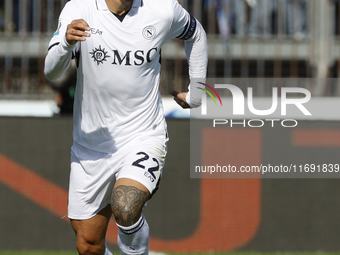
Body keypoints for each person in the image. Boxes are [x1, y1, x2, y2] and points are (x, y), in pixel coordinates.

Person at [44, 0, 208, 254]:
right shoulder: (79, 9)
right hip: (92, 146)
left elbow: (196, 34)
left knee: (125, 204)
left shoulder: (162, 9)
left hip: (142, 135)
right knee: (88, 244)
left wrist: (197, 90)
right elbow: (51, 73)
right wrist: (66, 43)